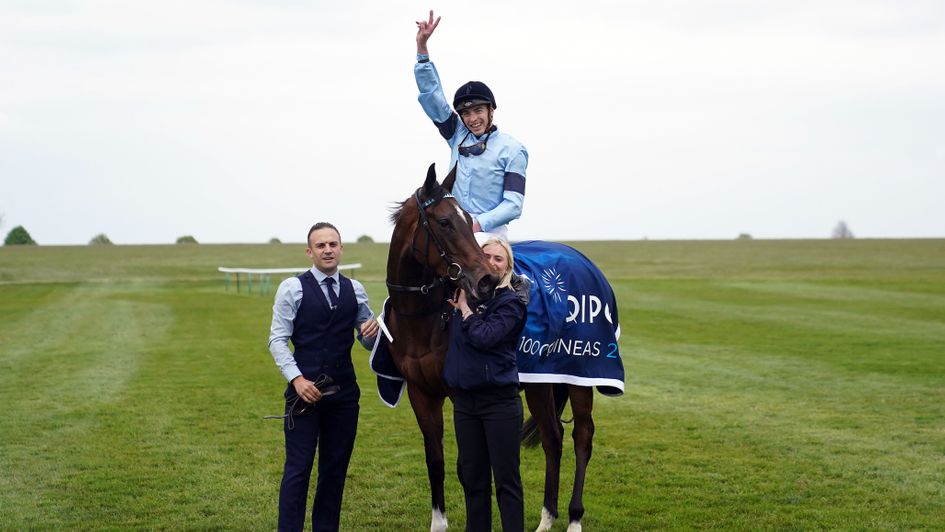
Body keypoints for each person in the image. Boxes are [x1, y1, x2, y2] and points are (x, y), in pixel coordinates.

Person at [267, 222, 379, 532]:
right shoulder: (293, 287)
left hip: (344, 396)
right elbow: (277, 339)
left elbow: (367, 341)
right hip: (304, 394)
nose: (327, 250)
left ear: (341, 249)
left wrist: (371, 334)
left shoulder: (355, 290)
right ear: (310, 252)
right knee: (298, 470)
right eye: (321, 245)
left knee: (334, 471)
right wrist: (297, 380)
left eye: (333, 244)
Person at [415, 10, 529, 242]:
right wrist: (422, 51)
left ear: (491, 111)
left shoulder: (513, 149)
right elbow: (433, 96)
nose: (472, 118)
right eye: (465, 113)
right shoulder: (457, 135)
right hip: (454, 227)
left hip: (489, 232)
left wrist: (477, 224)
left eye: (478, 110)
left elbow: (514, 205)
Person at [445, 237, 528, 532]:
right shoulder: (463, 295)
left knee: (507, 482)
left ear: (507, 267)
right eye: (486, 256)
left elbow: (485, 337)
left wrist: (465, 311)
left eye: (498, 259)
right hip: (466, 404)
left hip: (500, 404)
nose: (491, 262)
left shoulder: (512, 303)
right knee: (473, 481)